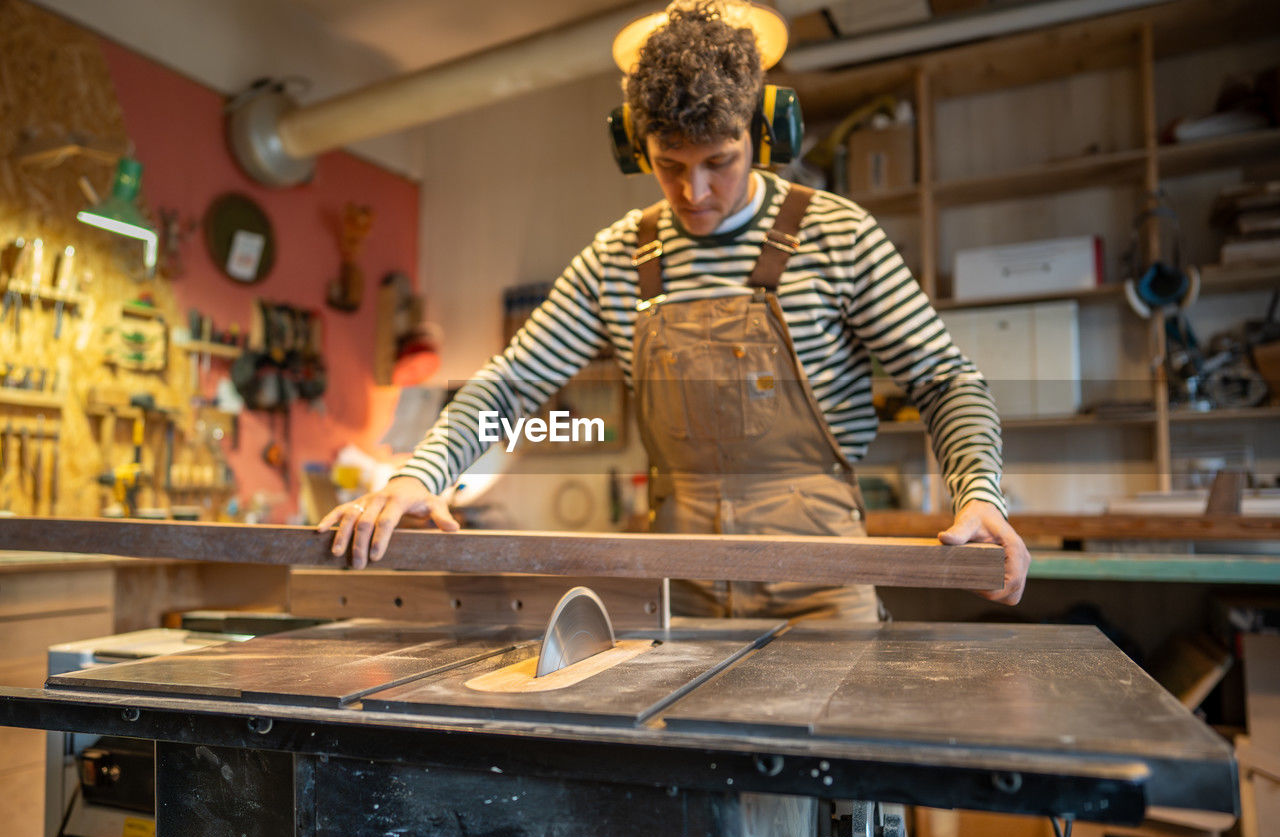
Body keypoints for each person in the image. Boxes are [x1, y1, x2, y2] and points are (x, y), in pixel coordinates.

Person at [320, 0, 1029, 616]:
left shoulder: (838, 235)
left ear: (764, 132)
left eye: (719, 160)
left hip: (823, 584)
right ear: (636, 147)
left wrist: (980, 492)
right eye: (670, 164)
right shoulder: (618, 257)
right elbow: (512, 383)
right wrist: (420, 475)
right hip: (678, 587)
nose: (693, 193)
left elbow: (945, 381)